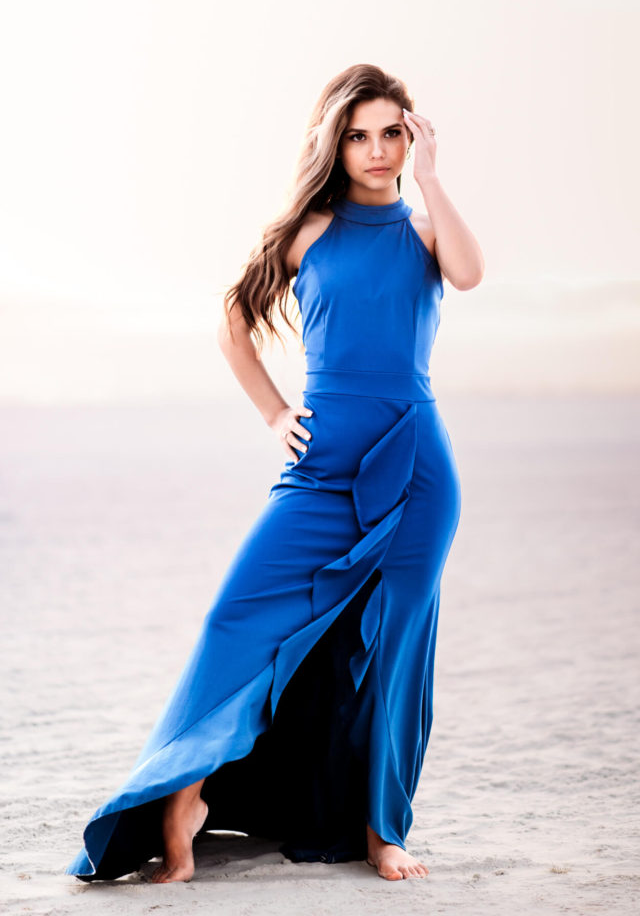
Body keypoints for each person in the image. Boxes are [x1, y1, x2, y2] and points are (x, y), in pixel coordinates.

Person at [65, 63, 485, 885]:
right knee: (234, 617)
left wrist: (431, 178)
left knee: (395, 650)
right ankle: (182, 798)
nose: (374, 149)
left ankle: (381, 831)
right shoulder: (310, 231)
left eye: (390, 134)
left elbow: (468, 274)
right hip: (321, 469)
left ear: (411, 138)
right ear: (336, 143)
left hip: (415, 471)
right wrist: (272, 411)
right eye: (358, 135)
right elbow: (233, 319)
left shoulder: (426, 232)